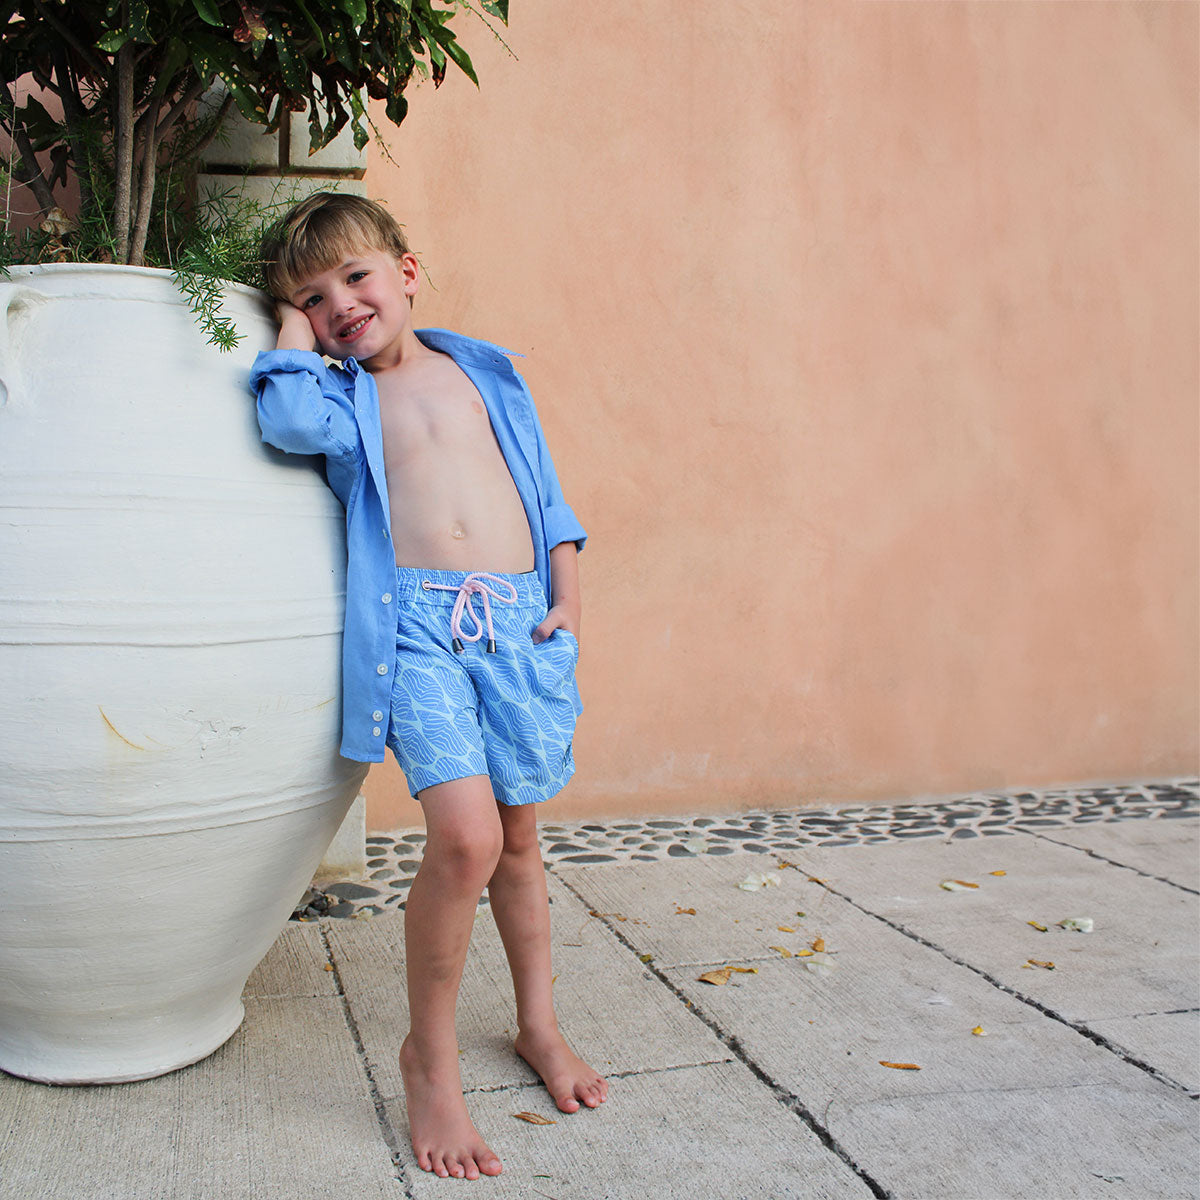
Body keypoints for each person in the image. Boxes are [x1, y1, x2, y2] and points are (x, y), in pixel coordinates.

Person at [250, 192, 607, 1180]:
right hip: (414, 628)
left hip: (521, 619)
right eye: (315, 300)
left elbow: (545, 491)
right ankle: (430, 1059)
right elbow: (282, 415)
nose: (340, 306)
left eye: (354, 278)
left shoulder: (481, 370)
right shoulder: (339, 394)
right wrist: (288, 324)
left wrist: (567, 596)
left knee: (522, 841)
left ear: (407, 271)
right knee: (467, 837)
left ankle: (539, 1025)